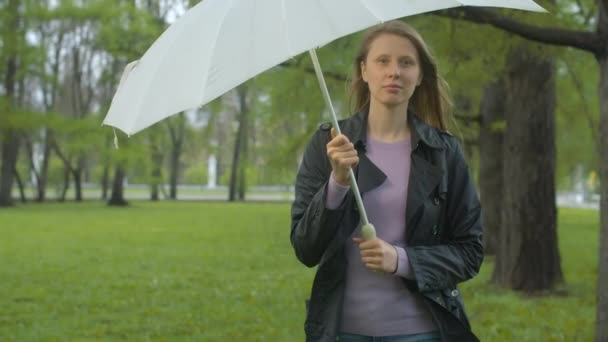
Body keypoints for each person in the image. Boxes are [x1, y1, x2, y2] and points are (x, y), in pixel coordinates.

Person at [290, 21, 483, 342]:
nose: (394, 71)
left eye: (406, 62)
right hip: (342, 331)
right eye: (383, 61)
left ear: (420, 76)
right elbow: (305, 248)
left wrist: (402, 260)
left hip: (422, 331)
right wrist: (337, 182)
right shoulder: (329, 143)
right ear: (364, 71)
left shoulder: (443, 151)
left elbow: (470, 251)